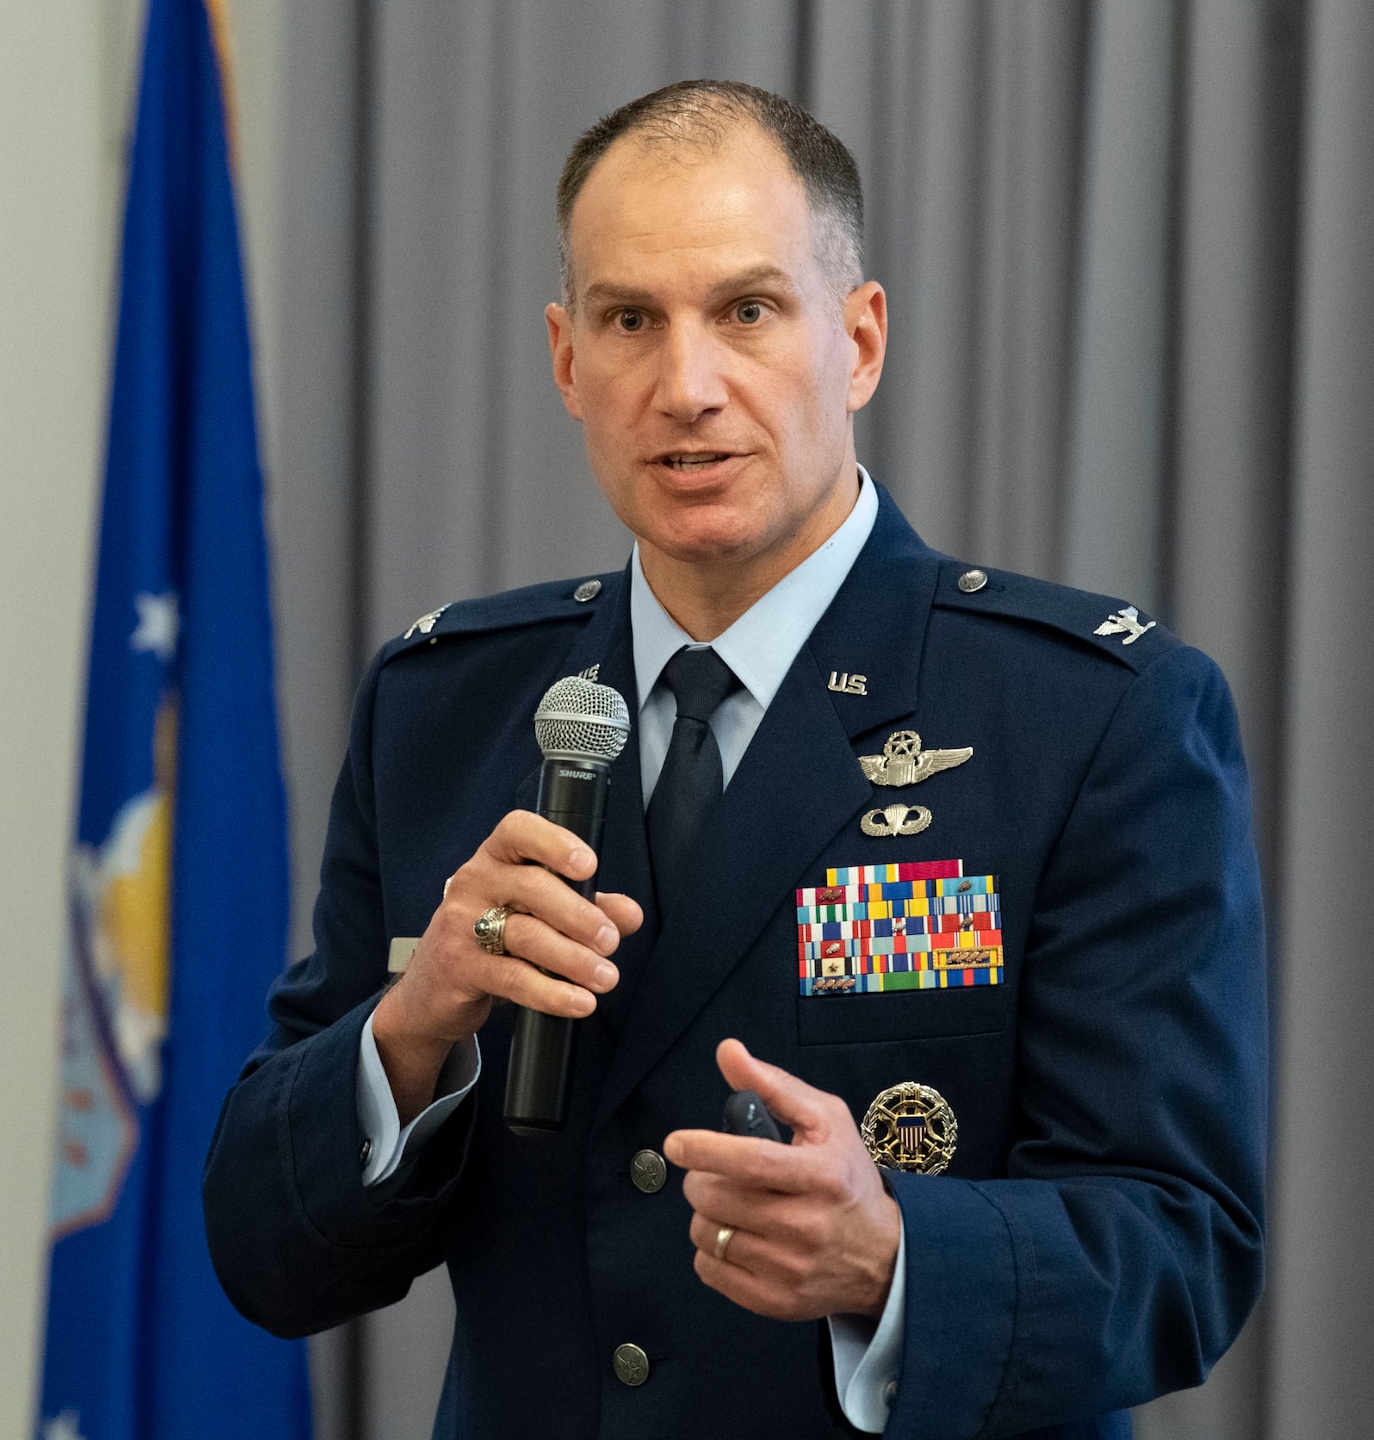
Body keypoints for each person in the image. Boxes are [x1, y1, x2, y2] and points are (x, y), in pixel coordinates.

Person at [202, 81, 1265, 1440]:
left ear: (860, 341)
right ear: (566, 359)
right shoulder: (448, 708)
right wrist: (413, 1037)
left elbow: (1184, 1246)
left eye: (747, 312)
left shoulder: (1091, 715)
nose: (685, 385)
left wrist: (896, 1259)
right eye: (629, 319)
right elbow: (261, 1254)